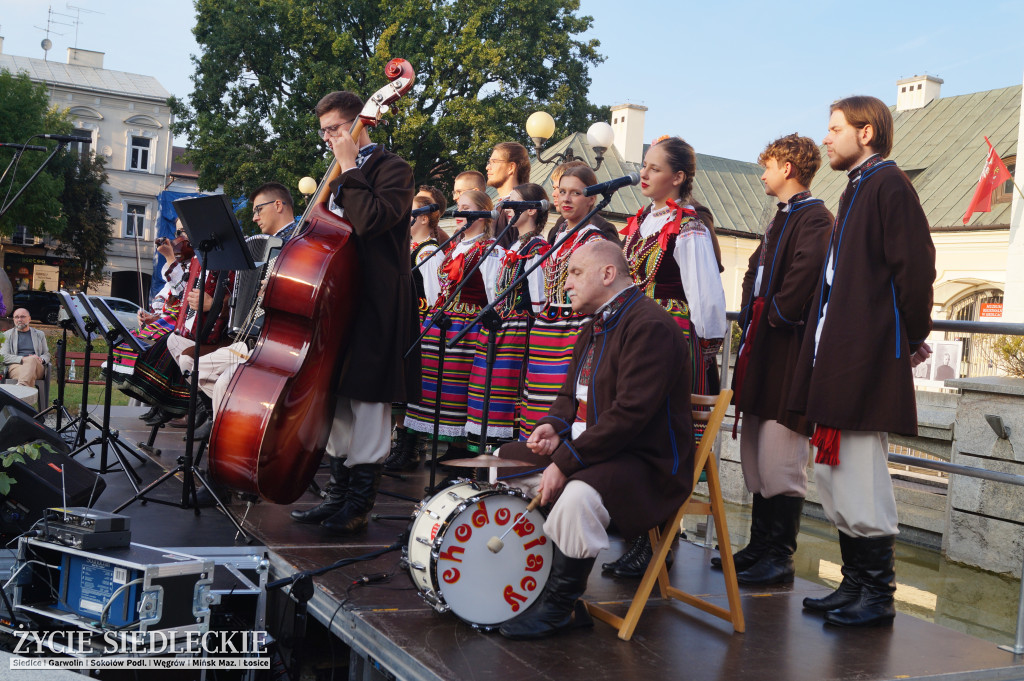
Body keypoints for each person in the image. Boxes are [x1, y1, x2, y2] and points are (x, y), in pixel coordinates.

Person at [496, 240, 694, 640]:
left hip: (646, 464)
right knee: (501, 461)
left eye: (575, 273)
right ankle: (528, 576)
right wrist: (554, 426)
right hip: (600, 452)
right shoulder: (598, 323)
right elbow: (570, 397)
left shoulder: (650, 326)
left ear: (607, 274)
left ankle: (561, 606)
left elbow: (629, 417)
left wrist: (564, 463)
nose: (565, 284)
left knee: (577, 496)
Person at [791, 96, 936, 627]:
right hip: (839, 356)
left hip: (864, 357)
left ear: (867, 132)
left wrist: (903, 334)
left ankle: (876, 595)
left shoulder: (889, 185)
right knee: (834, 477)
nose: (826, 139)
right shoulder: (857, 187)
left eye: (834, 129)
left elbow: (916, 268)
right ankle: (854, 584)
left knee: (860, 475)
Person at [289, 90, 419, 535]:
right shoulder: (337, 174)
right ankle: (338, 496)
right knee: (339, 400)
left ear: (358, 125)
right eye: (324, 132)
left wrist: (348, 168)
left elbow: (371, 221)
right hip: (340, 303)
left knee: (367, 403)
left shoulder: (394, 170)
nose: (328, 139)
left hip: (377, 303)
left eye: (335, 130)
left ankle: (359, 503)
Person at [601, 137, 728, 579]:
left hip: (670, 341)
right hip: (634, 337)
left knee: (659, 438)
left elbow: (707, 298)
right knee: (629, 431)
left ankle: (662, 539)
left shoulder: (688, 225)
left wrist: (705, 353)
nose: (644, 174)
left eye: (655, 168)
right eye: (644, 166)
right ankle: (639, 534)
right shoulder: (640, 223)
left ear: (677, 177)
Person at [717, 134, 832, 586]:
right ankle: (760, 545)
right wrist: (750, 316)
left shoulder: (815, 218)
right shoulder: (780, 217)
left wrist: (777, 315)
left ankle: (779, 554)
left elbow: (806, 273)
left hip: (786, 348)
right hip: (764, 345)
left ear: (788, 168)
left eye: (768, 165)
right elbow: (754, 272)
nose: (762, 172)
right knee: (759, 448)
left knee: (782, 453)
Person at [513, 164, 610, 448]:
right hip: (546, 329)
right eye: (562, 192)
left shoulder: (593, 239)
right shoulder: (556, 236)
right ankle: (532, 469)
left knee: (561, 399)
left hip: (573, 330)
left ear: (591, 199)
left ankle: (560, 463)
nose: (566, 199)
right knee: (537, 403)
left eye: (576, 193)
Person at [192, 183, 299, 440]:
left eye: (258, 210)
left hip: (277, 341)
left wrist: (276, 290)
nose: (254, 217)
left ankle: (227, 442)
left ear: (278, 205)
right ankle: (240, 422)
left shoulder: (298, 242)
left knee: (224, 383)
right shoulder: (262, 244)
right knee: (191, 366)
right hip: (250, 337)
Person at [402, 190, 503, 463]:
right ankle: (445, 451)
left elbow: (494, 293)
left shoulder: (489, 249)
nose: (459, 214)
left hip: (468, 327)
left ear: (483, 213)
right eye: (458, 208)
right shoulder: (456, 246)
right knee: (435, 386)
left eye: (466, 209)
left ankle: (459, 452)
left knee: (457, 389)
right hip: (444, 321)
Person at [465, 183, 550, 450]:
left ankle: (502, 459)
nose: (507, 208)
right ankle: (480, 464)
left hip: (518, 333)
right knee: (485, 394)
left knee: (505, 396)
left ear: (533, 211)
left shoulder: (537, 247)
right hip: (500, 329)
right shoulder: (514, 245)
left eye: (514, 202)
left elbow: (539, 303)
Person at [386, 186, 447, 471]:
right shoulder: (410, 248)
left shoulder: (429, 251)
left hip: (421, 323)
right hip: (406, 321)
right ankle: (403, 444)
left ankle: (411, 447)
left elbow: (436, 296)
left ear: (424, 218)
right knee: (401, 389)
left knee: (413, 386)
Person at [2, 309, 50, 386]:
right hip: (16, 366)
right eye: (16, 317)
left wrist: (42, 359)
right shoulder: (7, 335)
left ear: (29, 319)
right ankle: (23, 387)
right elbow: (3, 356)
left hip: (37, 367)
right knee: (30, 367)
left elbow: (46, 354)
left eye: (23, 317)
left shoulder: (39, 334)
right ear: (14, 319)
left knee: (32, 360)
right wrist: (23, 359)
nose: (19, 320)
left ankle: (21, 387)